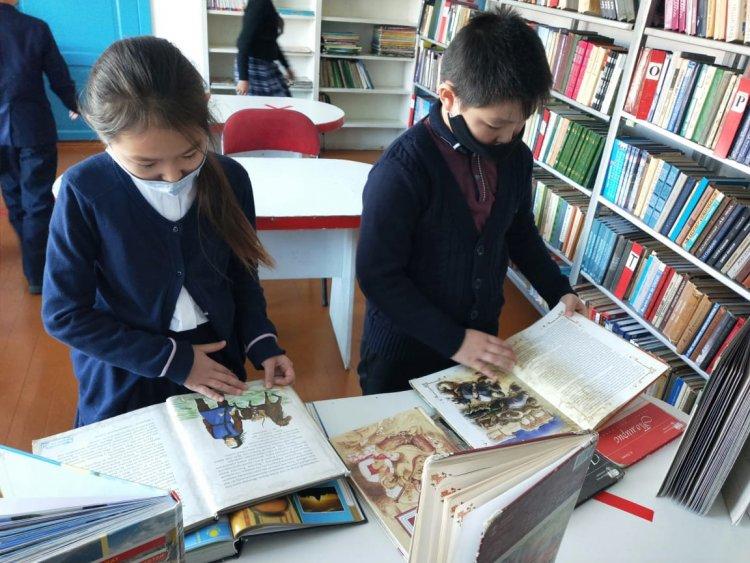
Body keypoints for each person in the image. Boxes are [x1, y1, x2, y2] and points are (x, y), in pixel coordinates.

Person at [42, 36, 295, 427]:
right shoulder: (84, 191)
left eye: (190, 154)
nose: (173, 176)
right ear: (104, 136)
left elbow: (242, 274)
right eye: (146, 165)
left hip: (217, 359)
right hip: (128, 368)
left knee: (224, 448)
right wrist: (173, 360)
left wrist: (263, 342)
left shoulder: (231, 178)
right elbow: (64, 314)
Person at [355, 8, 587, 394]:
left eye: (520, 124)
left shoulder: (515, 157)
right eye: (495, 125)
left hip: (478, 344)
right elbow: (377, 276)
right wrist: (455, 341)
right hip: (402, 355)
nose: (508, 137)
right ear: (449, 98)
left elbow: (519, 232)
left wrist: (558, 290)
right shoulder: (402, 170)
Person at [0, 0, 78, 294]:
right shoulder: (35, 28)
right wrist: (74, 103)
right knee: (37, 199)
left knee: (13, 195)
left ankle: (32, 262)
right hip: (32, 126)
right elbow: (58, 75)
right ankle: (37, 273)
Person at [235, 0, 295, 96]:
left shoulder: (266, 4)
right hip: (253, 66)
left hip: (266, 64)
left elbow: (271, 41)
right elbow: (243, 42)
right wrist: (243, 79)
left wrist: (286, 66)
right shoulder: (259, 3)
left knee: (283, 98)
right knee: (265, 103)